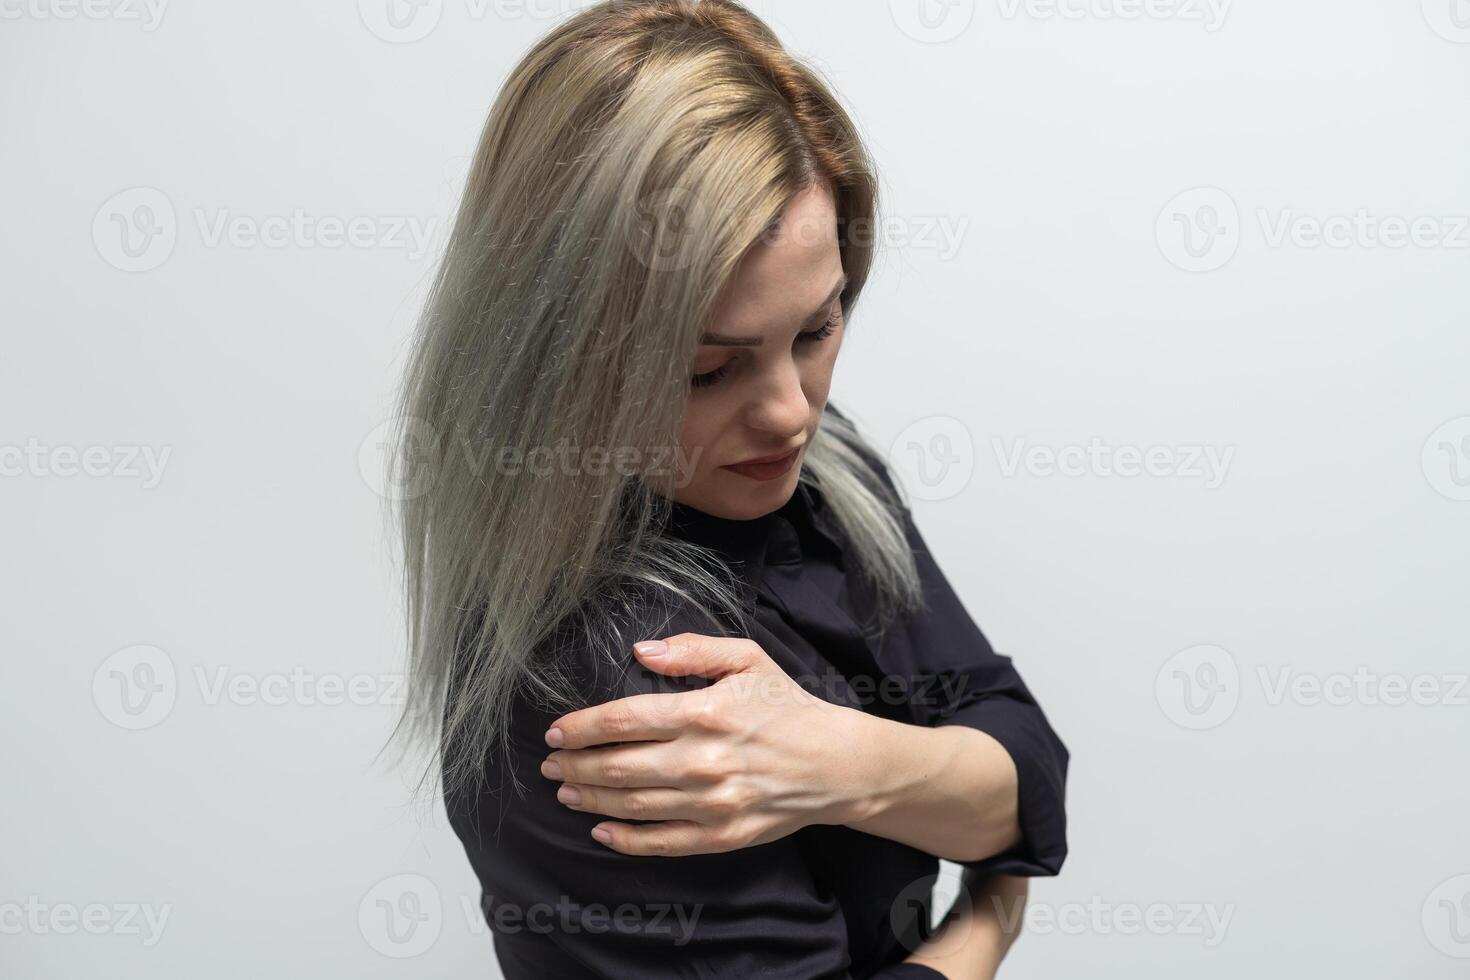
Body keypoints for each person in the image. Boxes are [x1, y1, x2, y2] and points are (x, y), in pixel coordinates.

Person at [389, 3, 1069, 976]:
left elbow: (1025, 755)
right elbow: (1011, 805)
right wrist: (991, 915)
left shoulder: (819, 474)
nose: (792, 412)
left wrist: (834, 761)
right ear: (560, 359)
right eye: (711, 369)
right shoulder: (610, 668)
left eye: (818, 329)